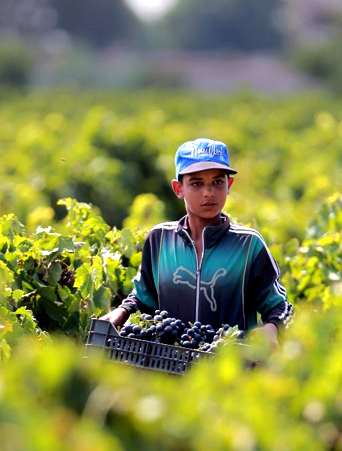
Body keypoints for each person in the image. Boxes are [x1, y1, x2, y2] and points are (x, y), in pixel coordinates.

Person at [101, 138, 293, 348]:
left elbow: (280, 307)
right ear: (178, 188)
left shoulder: (249, 245)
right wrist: (121, 311)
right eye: (197, 183)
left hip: (231, 370)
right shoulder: (159, 240)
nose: (208, 192)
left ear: (229, 185)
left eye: (218, 182)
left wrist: (271, 328)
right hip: (167, 365)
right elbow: (143, 299)